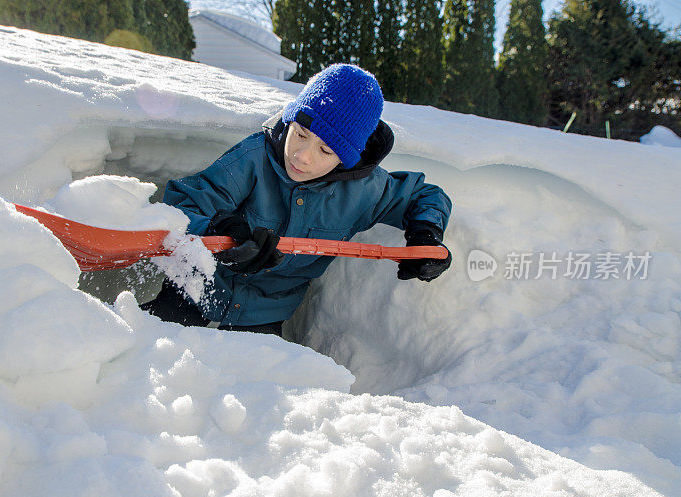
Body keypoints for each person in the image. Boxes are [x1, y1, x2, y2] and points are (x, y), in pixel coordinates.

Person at [140, 64, 452, 338]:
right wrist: (217, 230)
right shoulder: (254, 159)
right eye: (300, 133)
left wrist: (426, 233)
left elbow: (426, 195)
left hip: (263, 314)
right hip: (197, 289)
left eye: (325, 151)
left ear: (346, 159)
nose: (302, 156)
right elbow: (181, 207)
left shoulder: (365, 191)